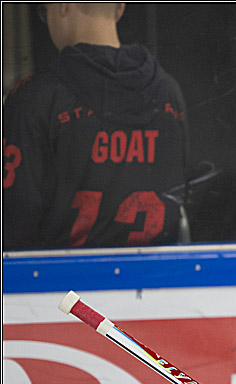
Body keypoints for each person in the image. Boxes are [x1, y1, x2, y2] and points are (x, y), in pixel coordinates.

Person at [2, 2, 188, 250]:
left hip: (63, 286)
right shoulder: (170, 94)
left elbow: (15, 235)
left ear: (62, 6)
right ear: (119, 8)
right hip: (151, 284)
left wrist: (69, 292)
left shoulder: (32, 101)